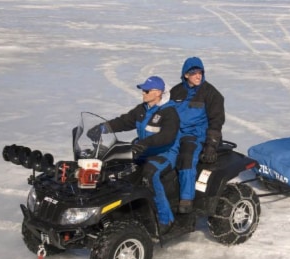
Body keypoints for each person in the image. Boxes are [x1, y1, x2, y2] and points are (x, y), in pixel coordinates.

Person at [87, 76, 179, 235]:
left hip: (165, 153)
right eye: (143, 90)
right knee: (117, 169)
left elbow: (167, 136)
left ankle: (165, 219)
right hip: (143, 150)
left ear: (158, 93)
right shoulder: (142, 109)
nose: (143, 93)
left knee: (150, 175)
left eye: (146, 90)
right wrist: (103, 128)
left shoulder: (169, 112)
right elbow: (124, 121)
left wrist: (145, 143)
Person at [170, 56, 225, 213]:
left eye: (200, 72)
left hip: (195, 136)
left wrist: (211, 146)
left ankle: (186, 199)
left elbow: (216, 122)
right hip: (175, 134)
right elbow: (166, 113)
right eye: (194, 73)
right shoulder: (176, 92)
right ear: (186, 75)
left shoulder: (211, 94)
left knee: (187, 157)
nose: (198, 76)